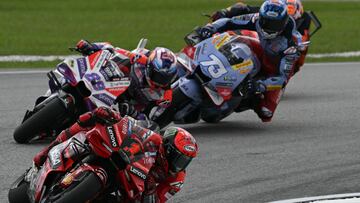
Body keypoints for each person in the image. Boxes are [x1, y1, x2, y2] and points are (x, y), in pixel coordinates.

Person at [33, 106, 199, 202]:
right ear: (167, 148)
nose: (179, 165)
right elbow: (131, 126)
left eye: (185, 161)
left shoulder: (176, 180)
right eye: (178, 158)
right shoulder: (154, 139)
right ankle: (46, 152)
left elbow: (159, 200)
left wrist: (149, 192)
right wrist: (113, 116)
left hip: (130, 190)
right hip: (119, 160)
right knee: (86, 126)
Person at [198, 0, 302, 122]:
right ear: (261, 17)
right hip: (258, 49)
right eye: (265, 22)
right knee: (229, 37)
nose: (268, 27)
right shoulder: (256, 19)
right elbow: (229, 22)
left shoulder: (291, 43)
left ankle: (246, 100)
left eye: (274, 25)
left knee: (266, 112)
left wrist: (260, 85)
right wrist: (211, 27)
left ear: (284, 23)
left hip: (272, 69)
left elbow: (282, 78)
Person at [75, 39, 178, 126]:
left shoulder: (165, 98)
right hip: (111, 86)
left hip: (124, 111)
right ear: (149, 67)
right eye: (158, 76)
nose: (160, 82)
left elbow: (149, 122)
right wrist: (91, 46)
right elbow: (112, 49)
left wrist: (133, 112)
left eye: (165, 78)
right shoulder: (140, 58)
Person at [210, 0, 311, 74]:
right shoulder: (270, 13)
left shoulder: (302, 25)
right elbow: (241, 7)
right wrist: (224, 12)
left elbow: (301, 51)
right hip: (261, 41)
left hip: (278, 57)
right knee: (236, 30)